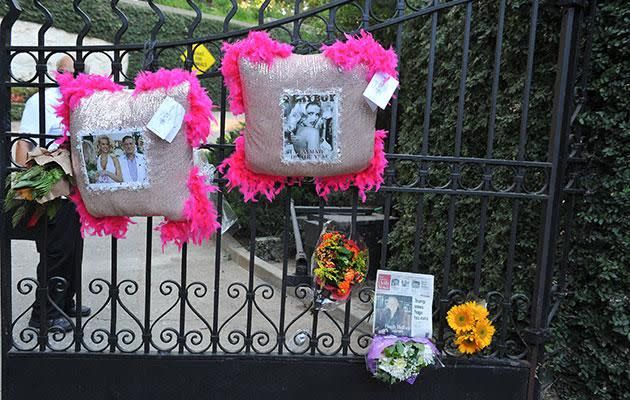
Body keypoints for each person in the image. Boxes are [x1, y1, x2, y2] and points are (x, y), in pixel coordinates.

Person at [16, 55, 91, 333]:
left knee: (74, 247)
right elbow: (23, 142)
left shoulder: (86, 101)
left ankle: (64, 301)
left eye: (80, 71)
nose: (74, 76)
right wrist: (28, 182)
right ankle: (43, 314)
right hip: (52, 185)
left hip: (77, 187)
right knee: (57, 249)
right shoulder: (41, 101)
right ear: (57, 73)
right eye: (70, 71)